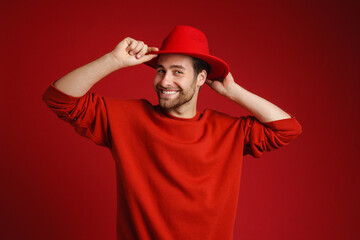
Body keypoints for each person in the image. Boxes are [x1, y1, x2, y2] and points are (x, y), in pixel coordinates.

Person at [43, 25, 302, 240]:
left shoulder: (229, 131)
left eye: (178, 72)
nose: (165, 81)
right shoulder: (128, 119)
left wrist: (232, 92)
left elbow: (287, 129)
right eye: (161, 70)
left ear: (201, 78)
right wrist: (113, 60)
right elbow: (59, 99)